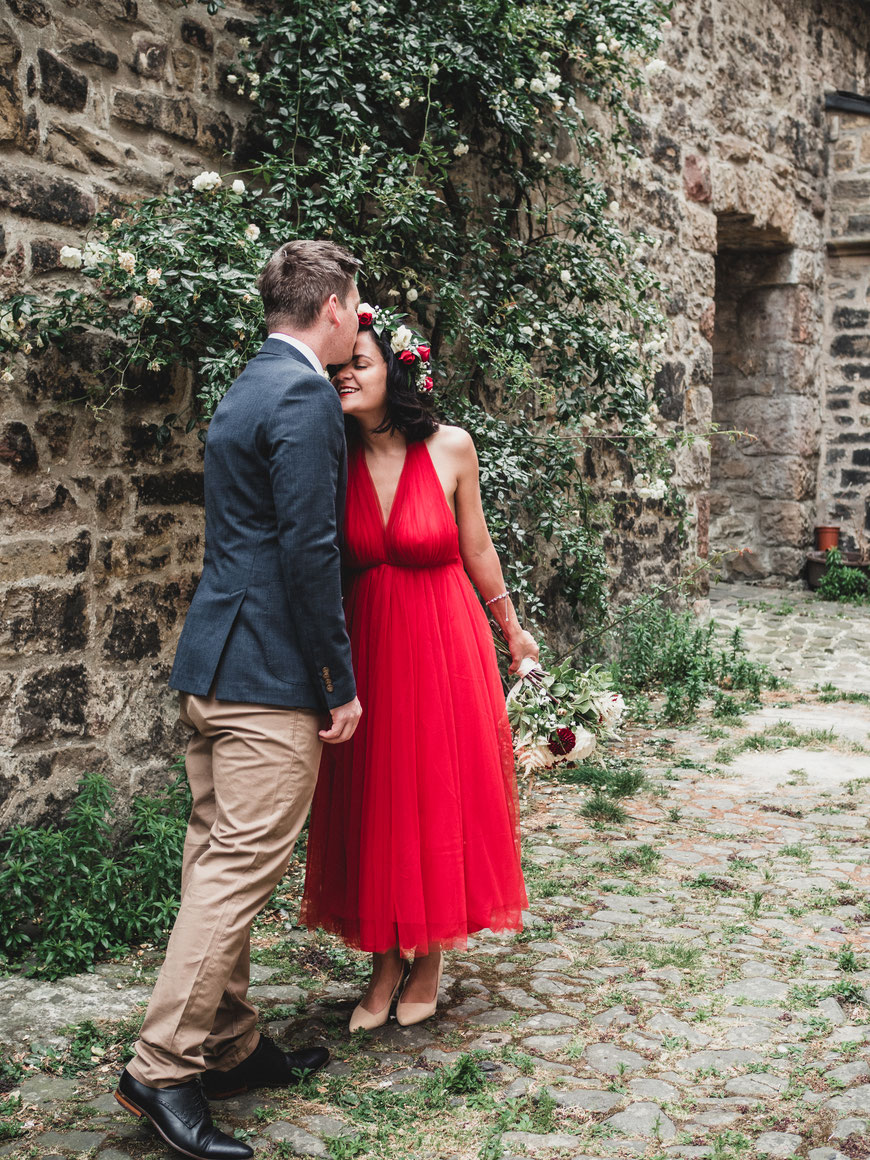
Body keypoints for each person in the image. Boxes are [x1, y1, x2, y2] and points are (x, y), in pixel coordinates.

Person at [114, 240, 364, 1160]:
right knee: (235, 871)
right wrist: (336, 681)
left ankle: (228, 1041)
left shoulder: (248, 383)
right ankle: (164, 1067)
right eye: (357, 304)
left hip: (214, 666)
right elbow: (308, 554)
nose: (359, 319)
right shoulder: (302, 396)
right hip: (267, 680)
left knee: (212, 857)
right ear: (332, 306)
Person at [300, 304, 538, 1031]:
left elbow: (479, 551)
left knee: (436, 792)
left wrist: (514, 631)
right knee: (376, 796)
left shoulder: (452, 448)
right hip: (368, 644)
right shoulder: (333, 453)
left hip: (444, 641)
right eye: (337, 367)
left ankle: (429, 958)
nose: (343, 376)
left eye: (358, 364)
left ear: (395, 369)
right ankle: (382, 965)